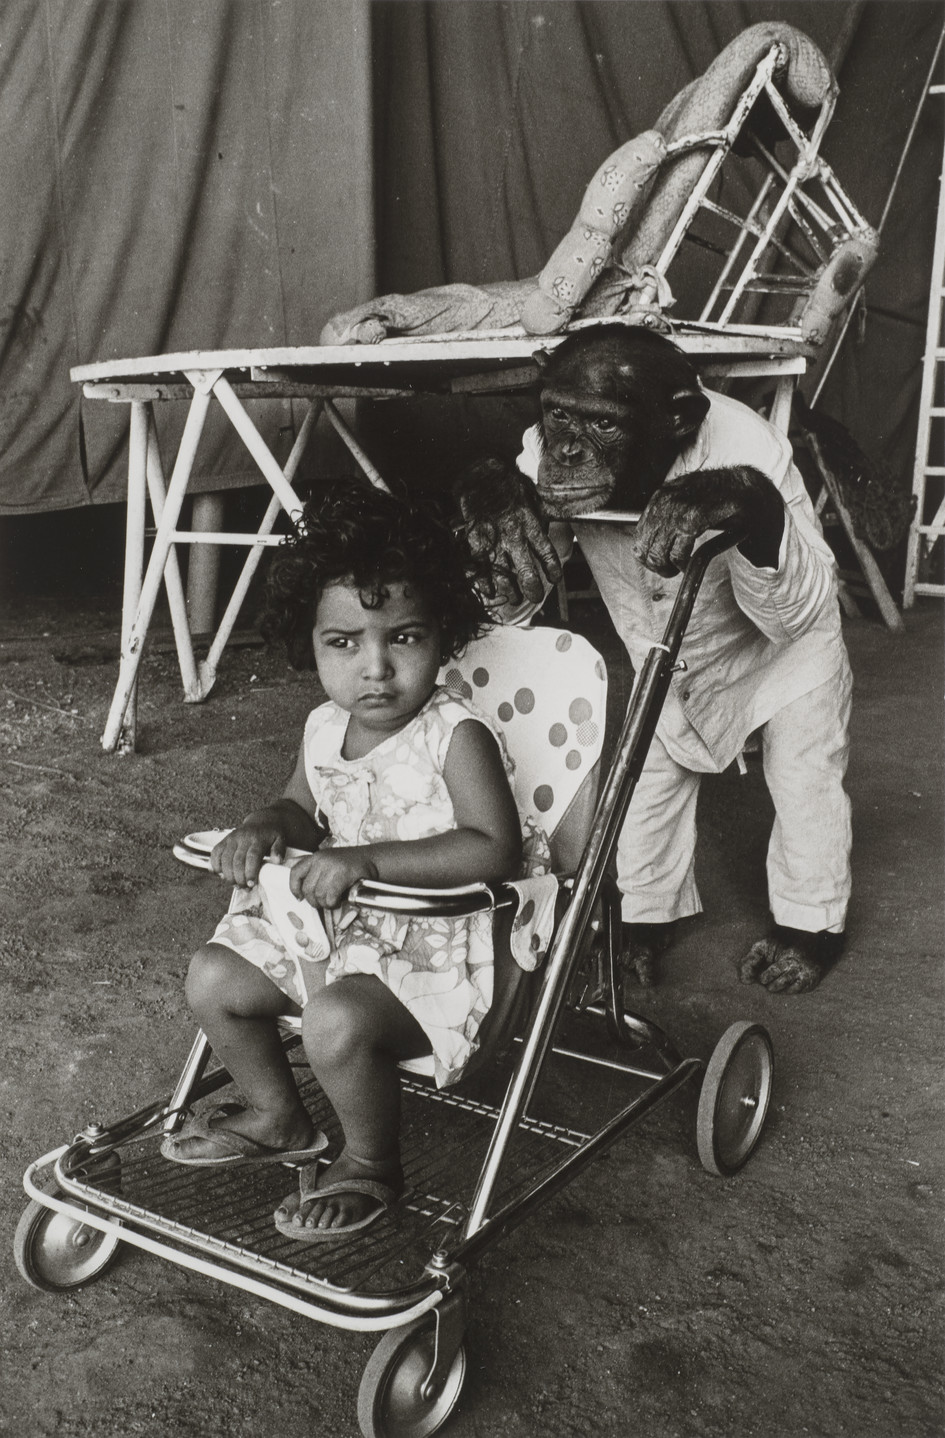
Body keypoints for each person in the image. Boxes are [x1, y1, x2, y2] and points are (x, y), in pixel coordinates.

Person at [162, 480, 549, 1239]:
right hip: (331, 930)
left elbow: (491, 848)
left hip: (430, 952)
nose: (374, 669)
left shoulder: (452, 735)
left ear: (443, 637)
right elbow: (299, 808)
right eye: (343, 644)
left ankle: (371, 1163)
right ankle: (279, 1115)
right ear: (307, 644)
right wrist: (262, 826)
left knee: (333, 1024)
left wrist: (366, 861)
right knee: (213, 976)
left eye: (402, 637)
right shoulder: (321, 726)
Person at [458, 324, 852, 995]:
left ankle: (810, 927)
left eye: (602, 426)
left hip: (783, 655)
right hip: (662, 652)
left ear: (676, 421)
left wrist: (754, 510)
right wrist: (496, 503)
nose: (568, 445)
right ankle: (645, 920)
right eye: (558, 414)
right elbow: (513, 604)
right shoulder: (541, 454)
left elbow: (796, 616)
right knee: (644, 786)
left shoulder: (741, 444)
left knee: (804, 782)